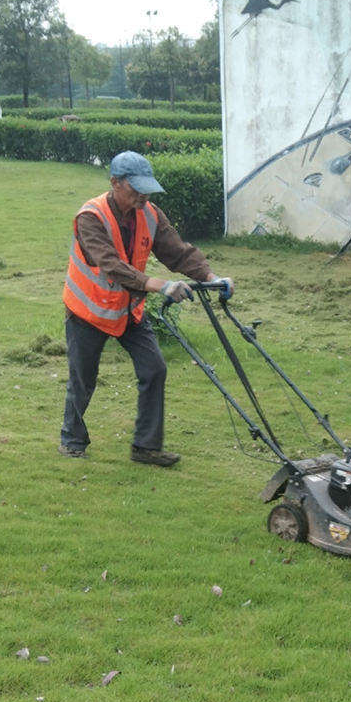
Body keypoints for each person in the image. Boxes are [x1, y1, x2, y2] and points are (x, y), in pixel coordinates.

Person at [59, 150, 234, 467]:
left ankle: (146, 447)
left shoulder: (150, 214)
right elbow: (111, 265)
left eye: (146, 188)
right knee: (83, 379)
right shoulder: (91, 217)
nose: (142, 195)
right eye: (135, 188)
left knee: (154, 369)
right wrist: (160, 285)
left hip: (128, 311)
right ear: (114, 183)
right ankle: (72, 441)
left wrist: (211, 277)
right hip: (88, 313)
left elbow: (177, 253)